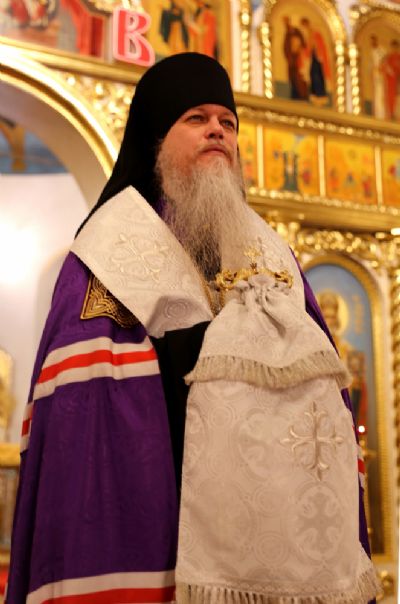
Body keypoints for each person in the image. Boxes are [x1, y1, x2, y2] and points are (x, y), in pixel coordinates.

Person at [7, 52, 377, 603]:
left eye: (228, 122)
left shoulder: (270, 252)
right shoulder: (107, 253)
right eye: (196, 118)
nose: (217, 131)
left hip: (280, 542)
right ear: (157, 139)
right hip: (168, 526)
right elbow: (88, 417)